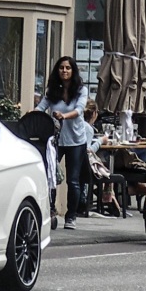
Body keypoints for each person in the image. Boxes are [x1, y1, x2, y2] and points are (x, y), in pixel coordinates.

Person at [37, 57, 90, 229]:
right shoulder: (52, 91)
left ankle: (71, 216)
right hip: (57, 140)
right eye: (61, 68)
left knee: (73, 180)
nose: (64, 71)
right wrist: (32, 115)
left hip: (76, 140)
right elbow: (41, 107)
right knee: (51, 176)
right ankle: (50, 211)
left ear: (73, 71)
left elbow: (80, 109)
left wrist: (64, 116)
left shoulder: (81, 90)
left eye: (68, 68)